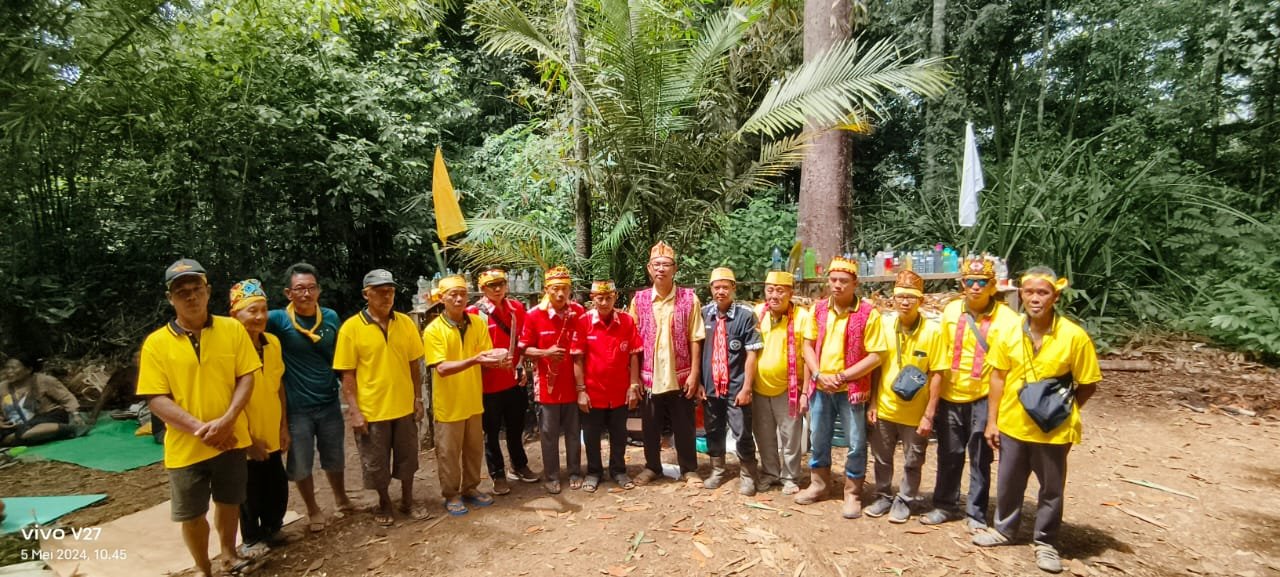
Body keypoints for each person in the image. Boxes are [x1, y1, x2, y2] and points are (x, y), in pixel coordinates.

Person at [972, 267, 1102, 574]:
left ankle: (1046, 542)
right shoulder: (1008, 332)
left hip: (1053, 430)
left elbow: (1088, 383)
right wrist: (992, 421)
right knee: (1009, 482)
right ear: (1021, 294)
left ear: (1055, 297)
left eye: (1042, 292)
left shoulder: (1074, 336)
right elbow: (998, 378)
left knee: (1051, 488)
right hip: (1013, 423)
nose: (1035, 298)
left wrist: (1063, 409)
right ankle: (1004, 529)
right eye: (1029, 292)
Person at [136, 259, 261, 577]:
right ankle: (203, 568)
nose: (191, 297)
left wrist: (228, 421)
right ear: (170, 298)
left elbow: (246, 376)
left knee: (229, 501)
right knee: (191, 513)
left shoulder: (232, 329)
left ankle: (229, 554)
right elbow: (156, 398)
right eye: (182, 292)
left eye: (196, 289)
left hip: (231, 437)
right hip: (186, 445)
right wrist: (202, 429)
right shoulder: (156, 344)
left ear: (208, 291)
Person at [921, 256, 1021, 530]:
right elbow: (940, 355)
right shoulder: (951, 310)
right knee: (949, 454)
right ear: (962, 284)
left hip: (983, 398)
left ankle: (976, 513)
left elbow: (1010, 365)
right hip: (951, 395)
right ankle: (944, 505)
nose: (975, 287)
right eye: (970, 281)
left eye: (982, 282)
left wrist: (997, 413)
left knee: (980, 458)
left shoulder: (1008, 319)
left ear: (992, 286)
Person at [333, 269, 428, 527]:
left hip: (403, 405)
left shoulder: (405, 323)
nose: (387, 296)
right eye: (380, 291)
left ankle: (408, 499)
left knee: (408, 457)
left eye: (390, 291)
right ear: (367, 294)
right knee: (375, 462)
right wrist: (354, 411)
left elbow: (413, 364)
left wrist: (418, 398)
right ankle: (384, 502)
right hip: (372, 409)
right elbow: (347, 374)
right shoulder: (351, 328)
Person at [266, 262, 353, 533]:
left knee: (334, 455)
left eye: (311, 288)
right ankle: (313, 508)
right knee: (301, 462)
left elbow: (339, 356)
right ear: (288, 293)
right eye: (299, 288)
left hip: (329, 401)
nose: (306, 294)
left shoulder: (330, 317)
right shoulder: (278, 320)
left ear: (319, 290)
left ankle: (341, 498)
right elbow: (247, 321)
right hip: (296, 407)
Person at [796, 256, 886, 519]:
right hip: (822, 387)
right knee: (818, 437)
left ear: (855, 283)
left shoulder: (868, 313)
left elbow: (876, 355)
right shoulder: (818, 310)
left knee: (855, 442)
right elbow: (807, 346)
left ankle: (853, 492)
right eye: (833, 280)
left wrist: (844, 376)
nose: (837, 285)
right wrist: (818, 373)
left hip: (851, 389)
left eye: (844, 281)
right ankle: (819, 484)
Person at [865, 270, 946, 523]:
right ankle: (883, 495)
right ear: (893, 299)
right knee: (881, 457)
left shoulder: (933, 332)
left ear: (920, 300)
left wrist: (929, 414)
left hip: (915, 412)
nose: (905, 302)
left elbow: (938, 373)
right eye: (900, 296)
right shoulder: (885, 325)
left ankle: (905, 499)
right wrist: (873, 402)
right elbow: (876, 366)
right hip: (885, 407)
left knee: (913, 459)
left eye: (911, 297)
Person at [424, 275, 509, 516]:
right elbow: (441, 368)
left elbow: (486, 356)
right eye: (453, 294)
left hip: (472, 398)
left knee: (473, 449)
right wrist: (475, 360)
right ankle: (451, 494)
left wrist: (500, 362)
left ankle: (470, 487)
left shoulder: (477, 323)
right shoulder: (433, 330)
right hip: (449, 403)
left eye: (462, 294)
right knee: (449, 453)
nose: (459, 299)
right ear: (442, 298)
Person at [629, 241, 706, 487]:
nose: (661, 269)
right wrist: (634, 378)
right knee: (650, 426)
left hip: (680, 374)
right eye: (656, 265)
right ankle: (652, 466)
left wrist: (695, 374)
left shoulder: (689, 298)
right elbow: (633, 342)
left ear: (675, 268)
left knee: (684, 425)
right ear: (649, 269)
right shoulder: (639, 300)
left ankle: (689, 469)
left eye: (666, 264)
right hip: (650, 376)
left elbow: (695, 337)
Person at [227, 280, 290, 554]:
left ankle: (273, 528)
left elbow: (279, 385)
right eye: (252, 310)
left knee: (276, 486)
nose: (260, 316)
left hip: (272, 430)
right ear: (234, 315)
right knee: (248, 491)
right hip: (245, 437)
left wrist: (284, 425)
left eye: (263, 310)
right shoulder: (228, 350)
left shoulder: (272, 343)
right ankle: (251, 539)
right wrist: (247, 440)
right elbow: (226, 400)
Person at [466, 269, 538, 496]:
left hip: (513, 379)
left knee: (516, 428)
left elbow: (523, 341)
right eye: (491, 285)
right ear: (482, 289)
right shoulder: (473, 313)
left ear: (506, 285)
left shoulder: (516, 308)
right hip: (487, 384)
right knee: (492, 432)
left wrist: (522, 367)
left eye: (500, 284)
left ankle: (519, 465)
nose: (497, 289)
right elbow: (469, 348)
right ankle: (497, 475)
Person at [520, 266, 586, 494]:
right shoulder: (533, 315)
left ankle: (575, 472)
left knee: (573, 432)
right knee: (548, 434)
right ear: (546, 289)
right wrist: (545, 352)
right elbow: (523, 349)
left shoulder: (578, 311)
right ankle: (552, 476)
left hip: (572, 384)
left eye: (564, 289)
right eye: (555, 289)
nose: (560, 294)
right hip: (547, 386)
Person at [571, 279, 643, 493]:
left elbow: (634, 355)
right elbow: (577, 359)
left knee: (619, 434)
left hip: (620, 391)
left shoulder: (627, 321)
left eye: (608, 298)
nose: (604, 302)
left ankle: (618, 470)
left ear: (615, 297)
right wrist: (581, 391)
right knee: (591, 435)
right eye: (600, 298)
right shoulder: (583, 322)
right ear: (592, 298)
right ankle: (594, 472)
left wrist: (633, 386)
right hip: (593, 391)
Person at [699, 267, 763, 495]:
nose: (721, 291)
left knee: (742, 431)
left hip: (736, 386)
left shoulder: (745, 315)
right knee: (713, 429)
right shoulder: (704, 314)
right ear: (711, 289)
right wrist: (699, 383)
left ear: (733, 288)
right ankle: (717, 469)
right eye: (717, 287)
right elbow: (697, 349)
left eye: (725, 287)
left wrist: (747, 387)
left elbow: (752, 354)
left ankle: (748, 474)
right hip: (710, 386)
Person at [751, 271, 812, 495]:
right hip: (759, 387)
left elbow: (808, 355)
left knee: (791, 435)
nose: (774, 295)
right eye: (770, 290)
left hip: (789, 389)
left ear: (790, 293)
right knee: (763, 434)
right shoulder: (758, 313)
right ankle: (770, 472)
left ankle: (790, 476)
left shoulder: (803, 317)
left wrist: (805, 392)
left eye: (780, 291)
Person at [1, 355, 86, 447]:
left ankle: (70, 429)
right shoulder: (2, 387)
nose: (9, 371)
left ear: (28, 370)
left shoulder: (44, 380)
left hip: (48, 416)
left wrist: (75, 414)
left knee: (25, 432)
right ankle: (25, 436)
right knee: (19, 434)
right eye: (7, 368)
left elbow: (66, 398)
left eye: (13, 368)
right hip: (18, 424)